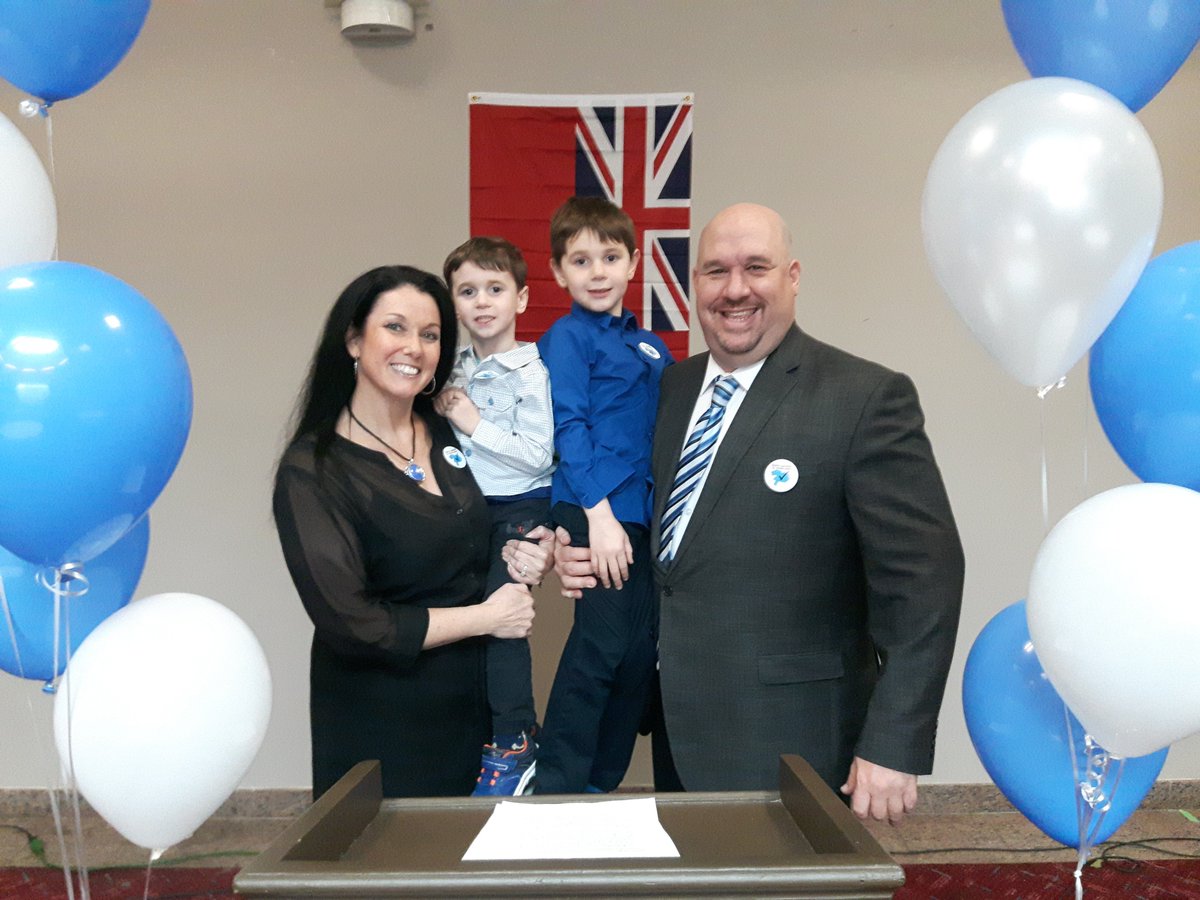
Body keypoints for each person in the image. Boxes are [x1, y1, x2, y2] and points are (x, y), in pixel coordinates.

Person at [556, 203, 964, 824]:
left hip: (795, 745)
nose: (735, 289)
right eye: (716, 271)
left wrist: (893, 740)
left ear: (793, 276)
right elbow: (649, 518)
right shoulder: (669, 388)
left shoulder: (864, 398)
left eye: (756, 268)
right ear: (695, 283)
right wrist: (577, 546)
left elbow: (924, 583)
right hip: (676, 728)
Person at [273, 264, 554, 799]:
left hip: (474, 712)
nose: (415, 348)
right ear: (353, 339)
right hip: (383, 725)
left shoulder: (448, 428)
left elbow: (484, 534)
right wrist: (487, 617)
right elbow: (355, 624)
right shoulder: (313, 471)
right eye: (395, 327)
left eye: (430, 335)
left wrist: (530, 553)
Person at [534, 196, 674, 794]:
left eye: (610, 257)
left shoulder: (653, 348)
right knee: (603, 644)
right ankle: (558, 786)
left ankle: (601, 783)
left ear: (634, 263)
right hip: (595, 508)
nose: (597, 272)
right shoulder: (566, 337)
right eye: (581, 260)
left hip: (643, 516)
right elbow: (566, 427)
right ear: (558, 271)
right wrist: (600, 516)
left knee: (640, 652)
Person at [434, 237, 555, 796]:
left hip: (519, 508)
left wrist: (473, 422)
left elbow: (538, 455)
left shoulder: (531, 371)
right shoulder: (450, 369)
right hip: (464, 508)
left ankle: (515, 739)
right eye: (468, 291)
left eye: (495, 289)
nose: (482, 301)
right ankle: (472, 739)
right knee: (462, 618)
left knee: (503, 618)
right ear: (454, 304)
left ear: (521, 299)